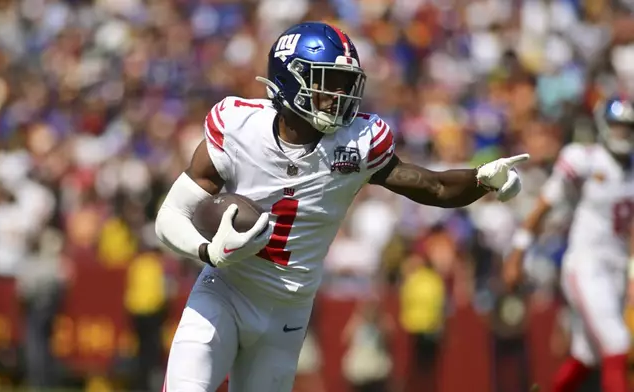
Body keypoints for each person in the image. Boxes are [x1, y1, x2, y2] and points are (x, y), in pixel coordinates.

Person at [155, 21, 529, 392]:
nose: (340, 94)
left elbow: (433, 186)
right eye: (328, 82)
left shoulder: (358, 143)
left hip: (287, 311)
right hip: (225, 290)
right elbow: (171, 216)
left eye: (345, 84)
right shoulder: (239, 125)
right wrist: (209, 251)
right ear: (290, 77)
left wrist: (482, 179)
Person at [503, 97, 634, 392]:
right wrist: (517, 252)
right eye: (616, 126)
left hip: (615, 269)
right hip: (586, 264)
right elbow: (543, 206)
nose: (622, 133)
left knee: (587, 357)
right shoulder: (584, 159)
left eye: (627, 127)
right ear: (602, 126)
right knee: (616, 342)